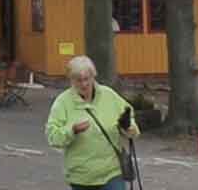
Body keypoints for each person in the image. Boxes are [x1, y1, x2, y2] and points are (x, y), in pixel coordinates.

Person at [46, 55, 140, 190]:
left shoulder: (109, 95)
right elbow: (53, 137)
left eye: (87, 79)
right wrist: (72, 131)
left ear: (93, 76)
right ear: (71, 80)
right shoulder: (63, 102)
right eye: (78, 80)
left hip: (112, 173)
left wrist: (128, 127)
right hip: (82, 177)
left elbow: (129, 117)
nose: (83, 84)